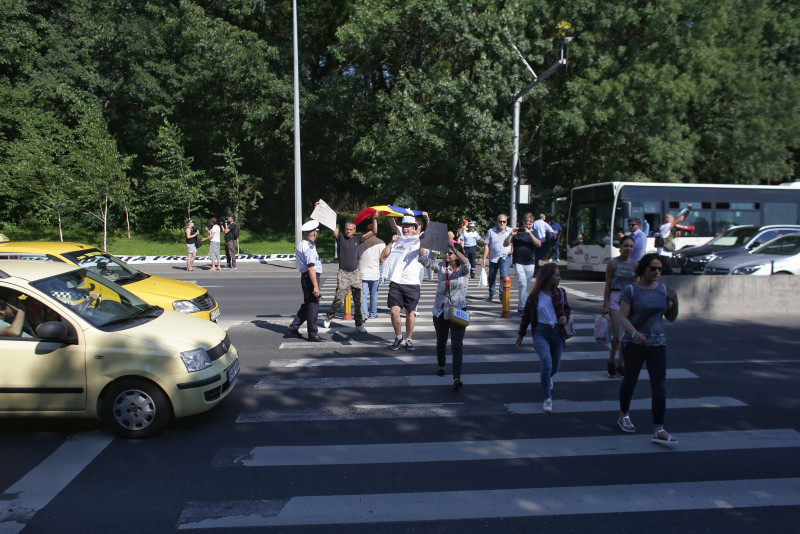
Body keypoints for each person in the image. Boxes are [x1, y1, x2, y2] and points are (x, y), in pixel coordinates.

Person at [617, 253, 680, 445]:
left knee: (659, 387)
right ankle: (624, 415)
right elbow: (623, 317)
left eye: (660, 269)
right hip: (634, 343)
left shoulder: (663, 290)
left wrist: (674, 300)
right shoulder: (631, 290)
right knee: (631, 380)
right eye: (653, 268)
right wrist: (635, 334)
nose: (657, 272)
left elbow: (671, 317)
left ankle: (659, 428)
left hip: (657, 343)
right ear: (643, 269)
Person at [516, 263, 571, 413]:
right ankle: (547, 398)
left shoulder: (561, 293)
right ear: (548, 277)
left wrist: (565, 317)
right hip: (541, 332)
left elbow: (567, 309)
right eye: (557, 275)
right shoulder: (534, 297)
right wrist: (521, 334)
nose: (560, 278)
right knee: (546, 364)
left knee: (555, 367)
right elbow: (526, 316)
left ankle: (546, 378)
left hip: (557, 333)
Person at [419, 241, 470, 390]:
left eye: (450, 253)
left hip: (458, 310)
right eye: (445, 252)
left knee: (457, 345)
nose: (447, 255)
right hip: (440, 310)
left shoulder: (462, 270)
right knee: (441, 341)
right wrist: (423, 241)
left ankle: (456, 377)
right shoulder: (441, 267)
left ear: (457, 254)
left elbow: (467, 264)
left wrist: (455, 248)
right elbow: (423, 260)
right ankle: (441, 365)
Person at [382, 209, 428, 351]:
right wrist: (391, 241)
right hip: (396, 282)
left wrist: (422, 242)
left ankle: (409, 339)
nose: (406, 228)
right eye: (404, 226)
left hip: (412, 283)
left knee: (410, 313)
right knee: (394, 312)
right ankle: (398, 337)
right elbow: (383, 254)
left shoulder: (419, 239)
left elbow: (422, 254)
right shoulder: (399, 238)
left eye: (409, 226)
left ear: (415, 228)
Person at [322, 215, 377, 332]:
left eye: (350, 229)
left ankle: (359, 324)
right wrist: (321, 211)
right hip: (343, 273)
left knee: (359, 300)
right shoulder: (341, 238)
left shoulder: (358, 239)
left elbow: (374, 232)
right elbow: (331, 226)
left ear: (354, 230)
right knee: (339, 298)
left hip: (355, 273)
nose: (348, 231)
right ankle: (329, 316)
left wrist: (374, 219)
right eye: (346, 229)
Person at [602, 235, 637, 378]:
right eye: (626, 246)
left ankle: (621, 364)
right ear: (620, 247)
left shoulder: (635, 265)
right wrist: (605, 304)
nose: (628, 249)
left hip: (629, 300)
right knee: (618, 335)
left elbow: (638, 285)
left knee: (626, 335)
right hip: (615, 299)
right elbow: (608, 284)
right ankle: (611, 360)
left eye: (631, 246)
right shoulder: (613, 263)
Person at [288, 221, 325, 342]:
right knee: (313, 305)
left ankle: (294, 326)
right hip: (310, 277)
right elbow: (311, 267)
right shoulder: (309, 247)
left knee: (308, 304)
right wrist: (315, 286)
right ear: (314, 233)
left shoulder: (302, 244)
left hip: (306, 277)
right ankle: (312, 333)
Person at [503, 213, 541, 314]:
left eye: (530, 224)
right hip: (518, 262)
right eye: (526, 223)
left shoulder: (534, 232)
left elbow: (539, 244)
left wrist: (531, 234)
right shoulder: (517, 232)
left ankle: (525, 305)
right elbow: (505, 243)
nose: (528, 226)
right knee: (522, 284)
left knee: (526, 286)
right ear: (523, 222)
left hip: (530, 263)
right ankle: (522, 308)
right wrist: (511, 234)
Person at [481, 214, 512, 301]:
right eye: (500, 221)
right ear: (497, 221)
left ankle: (502, 295)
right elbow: (487, 245)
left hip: (505, 256)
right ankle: (492, 292)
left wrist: (512, 251)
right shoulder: (491, 231)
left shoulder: (510, 231)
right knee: (492, 275)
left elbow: (514, 243)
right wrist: (484, 259)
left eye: (504, 221)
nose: (502, 223)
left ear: (506, 222)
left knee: (504, 276)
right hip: (493, 257)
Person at [359, 235, 385, 320]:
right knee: (374, 295)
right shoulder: (381, 242)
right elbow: (383, 258)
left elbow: (356, 256)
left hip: (362, 273)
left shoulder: (360, 241)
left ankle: (365, 314)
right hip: (375, 274)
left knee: (363, 295)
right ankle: (373, 314)